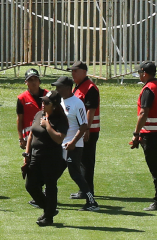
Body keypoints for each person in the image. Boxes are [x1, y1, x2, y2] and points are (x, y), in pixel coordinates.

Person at [53, 75, 97, 211]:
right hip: (62, 145)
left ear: (67, 88)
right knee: (53, 172)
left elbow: (84, 125)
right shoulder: (60, 102)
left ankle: (92, 202)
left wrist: (73, 142)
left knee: (75, 174)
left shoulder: (77, 103)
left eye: (59, 87)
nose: (56, 89)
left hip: (73, 146)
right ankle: (45, 197)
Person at [24, 94, 68, 226]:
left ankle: (48, 217)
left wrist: (48, 126)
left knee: (50, 187)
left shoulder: (60, 119)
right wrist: (27, 154)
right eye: (43, 101)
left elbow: (59, 139)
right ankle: (49, 210)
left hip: (51, 158)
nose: (43, 104)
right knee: (30, 185)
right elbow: (31, 134)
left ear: (54, 105)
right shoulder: (38, 114)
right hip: (35, 156)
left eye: (46, 102)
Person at [133, 61, 157, 211]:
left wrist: (136, 134)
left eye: (140, 72)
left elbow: (143, 113)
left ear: (145, 73)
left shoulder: (148, 90)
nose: (139, 75)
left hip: (152, 135)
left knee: (156, 169)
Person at [71, 62, 101, 206]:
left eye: (75, 71)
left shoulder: (90, 88)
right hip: (81, 130)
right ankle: (84, 190)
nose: (72, 73)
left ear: (84, 72)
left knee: (87, 162)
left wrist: (86, 129)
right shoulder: (78, 86)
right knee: (82, 161)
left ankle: (88, 190)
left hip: (89, 131)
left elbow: (91, 109)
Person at [16, 69, 47, 149]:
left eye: (35, 79)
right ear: (26, 82)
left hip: (48, 134)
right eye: (30, 80)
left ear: (39, 81)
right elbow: (19, 120)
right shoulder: (22, 98)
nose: (33, 82)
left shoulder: (48, 95)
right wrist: (21, 138)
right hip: (30, 137)